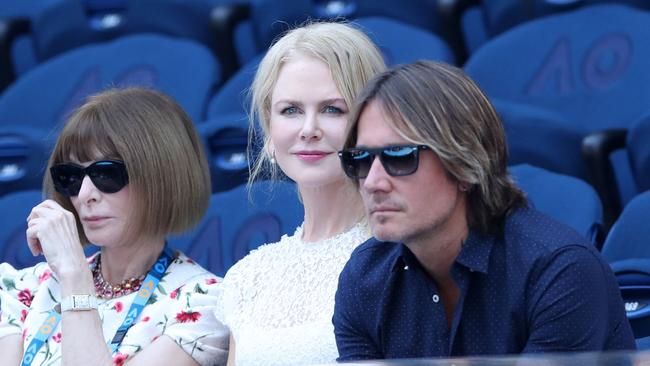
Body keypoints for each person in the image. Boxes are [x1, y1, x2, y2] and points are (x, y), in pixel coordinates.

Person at [334, 60, 636, 360]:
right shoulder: (363, 278)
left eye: (399, 156)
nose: (373, 182)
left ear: (464, 165)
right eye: (360, 159)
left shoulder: (561, 270)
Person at [0, 88, 228, 365]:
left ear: (163, 176)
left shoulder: (203, 303)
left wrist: (75, 278)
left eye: (106, 173)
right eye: (70, 176)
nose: (84, 194)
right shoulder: (22, 289)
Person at [215, 22, 386, 365]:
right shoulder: (248, 276)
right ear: (268, 124)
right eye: (290, 110)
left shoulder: (400, 259)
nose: (309, 130)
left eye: (332, 109)